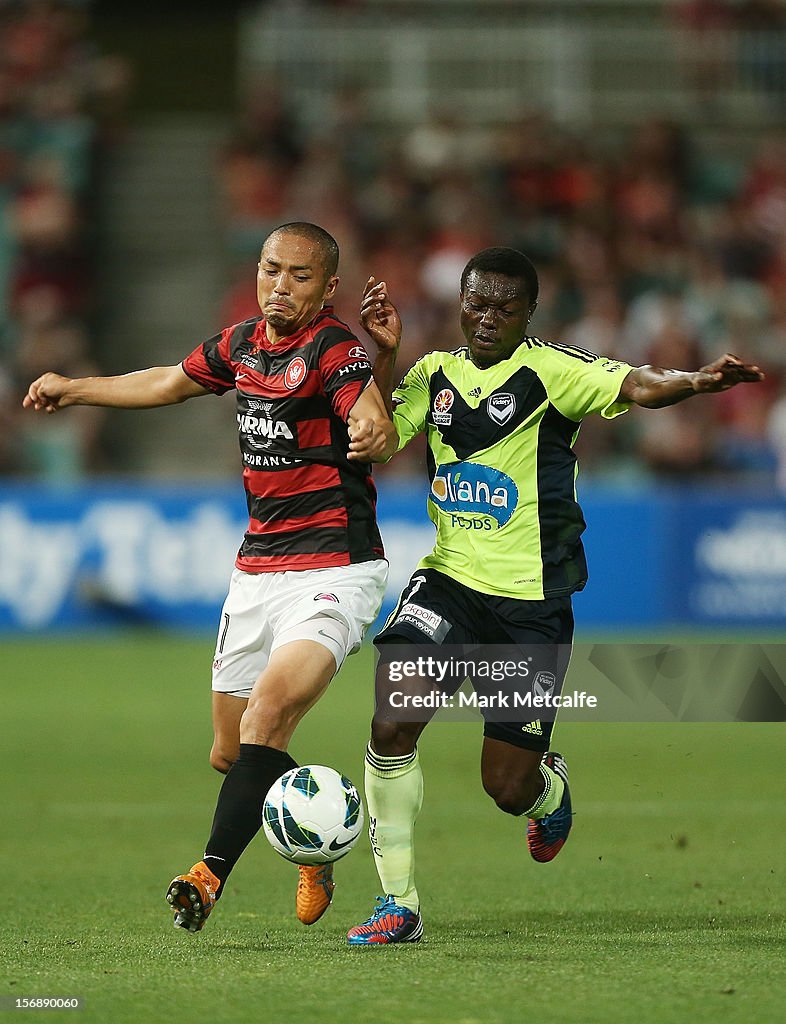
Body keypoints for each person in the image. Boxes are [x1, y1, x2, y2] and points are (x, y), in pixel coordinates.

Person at [345, 246, 764, 945]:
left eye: (503, 308)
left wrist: (695, 381)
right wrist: (383, 356)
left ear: (528, 313)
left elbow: (639, 385)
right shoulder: (432, 373)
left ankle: (549, 786)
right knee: (393, 722)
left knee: (506, 790)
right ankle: (400, 904)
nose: (486, 318)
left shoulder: (553, 371)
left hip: (532, 604)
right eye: (476, 303)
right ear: (461, 301)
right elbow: (379, 439)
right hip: (449, 581)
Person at [22, 221, 398, 933]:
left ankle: (206, 877)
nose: (280, 286)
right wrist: (76, 390)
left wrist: (373, 424)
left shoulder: (336, 349)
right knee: (234, 753)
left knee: (266, 716)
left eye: (299, 275)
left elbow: (365, 408)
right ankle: (314, 838)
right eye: (270, 270)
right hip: (256, 571)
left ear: (328, 287)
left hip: (335, 569)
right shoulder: (243, 344)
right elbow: (168, 382)